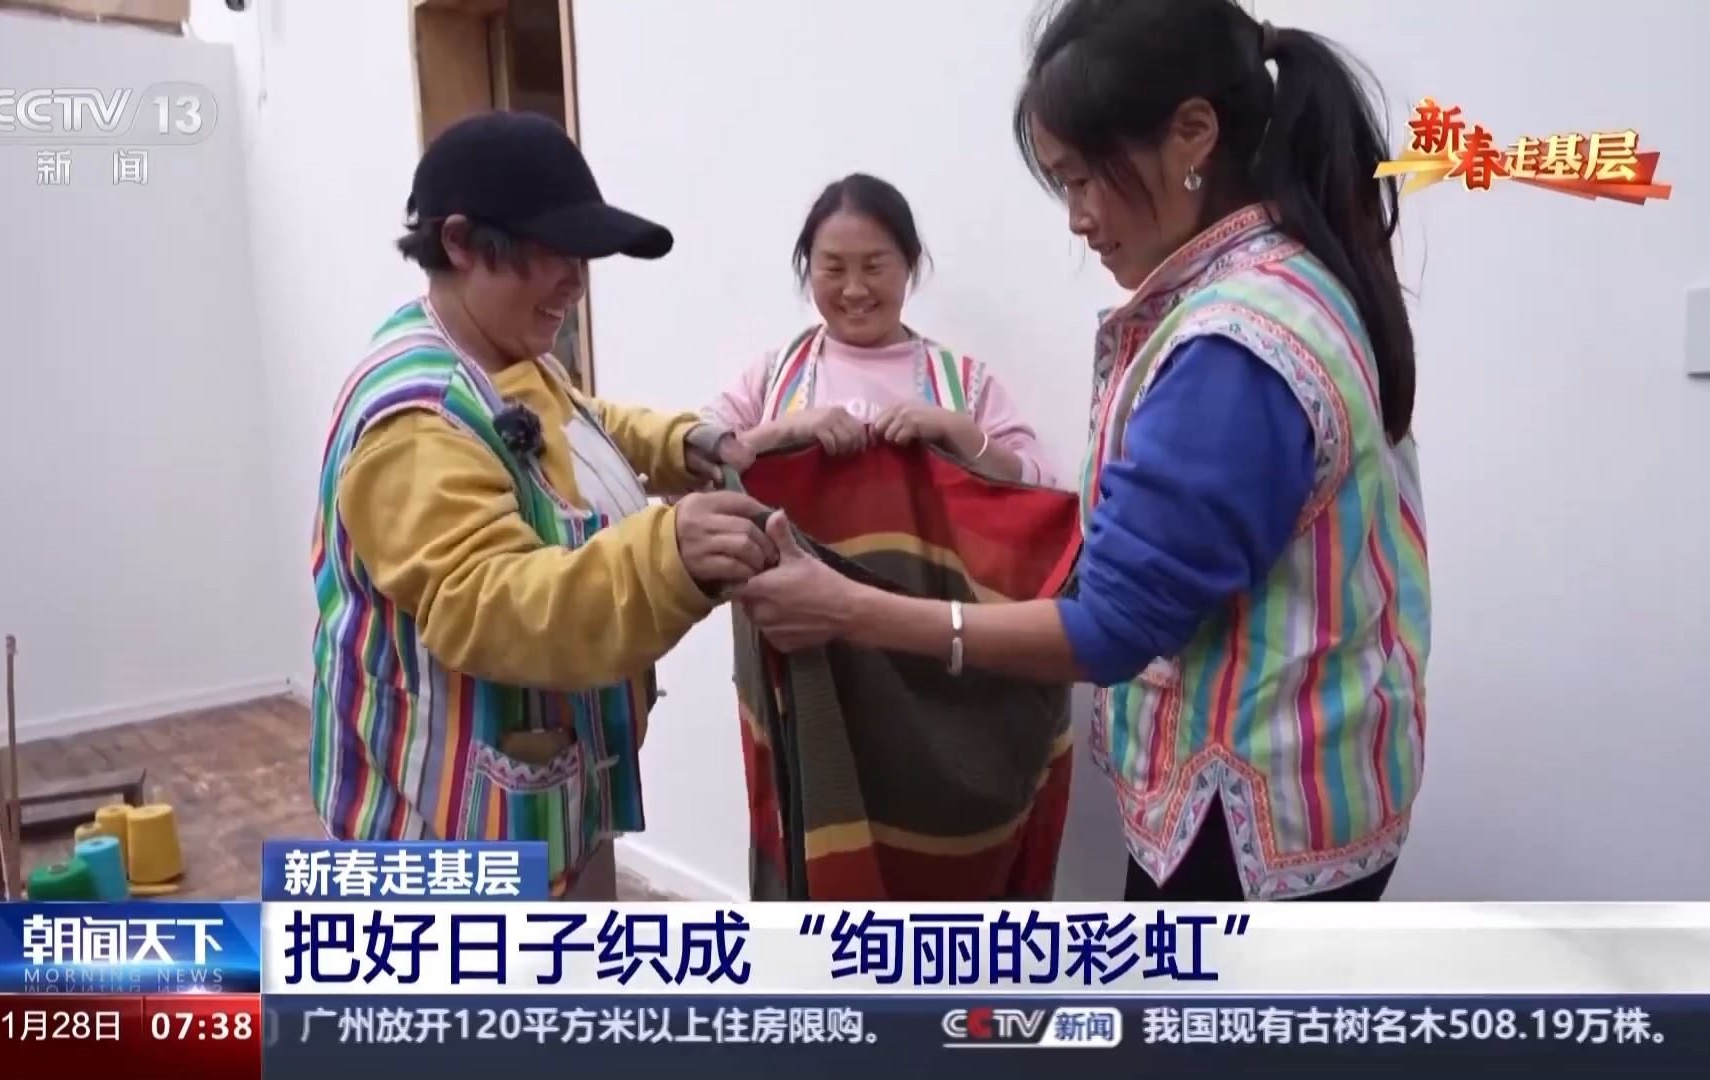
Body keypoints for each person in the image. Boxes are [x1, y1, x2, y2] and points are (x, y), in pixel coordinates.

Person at [736, 0, 1430, 903]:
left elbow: (1107, 616)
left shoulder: (1229, 347)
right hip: (1331, 769)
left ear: (1192, 136)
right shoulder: (1299, 282)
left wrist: (850, 608)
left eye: (1081, 178)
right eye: (833, 268)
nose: (1076, 219)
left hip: (1247, 826)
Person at [309, 112, 775, 900]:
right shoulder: (416, 421)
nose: (576, 281)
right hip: (443, 853)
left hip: (545, 811)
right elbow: (485, 602)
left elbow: (579, 424)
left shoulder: (501, 356)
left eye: (583, 258)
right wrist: (669, 557)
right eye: (553, 252)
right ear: (461, 242)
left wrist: (693, 445)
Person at [703, 174, 1056, 486]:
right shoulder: (772, 375)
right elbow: (693, 463)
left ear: (910, 263)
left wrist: (955, 431)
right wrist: (788, 431)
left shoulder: (964, 383)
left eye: (873, 267)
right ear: (809, 268)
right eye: (834, 269)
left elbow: (1040, 483)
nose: (854, 290)